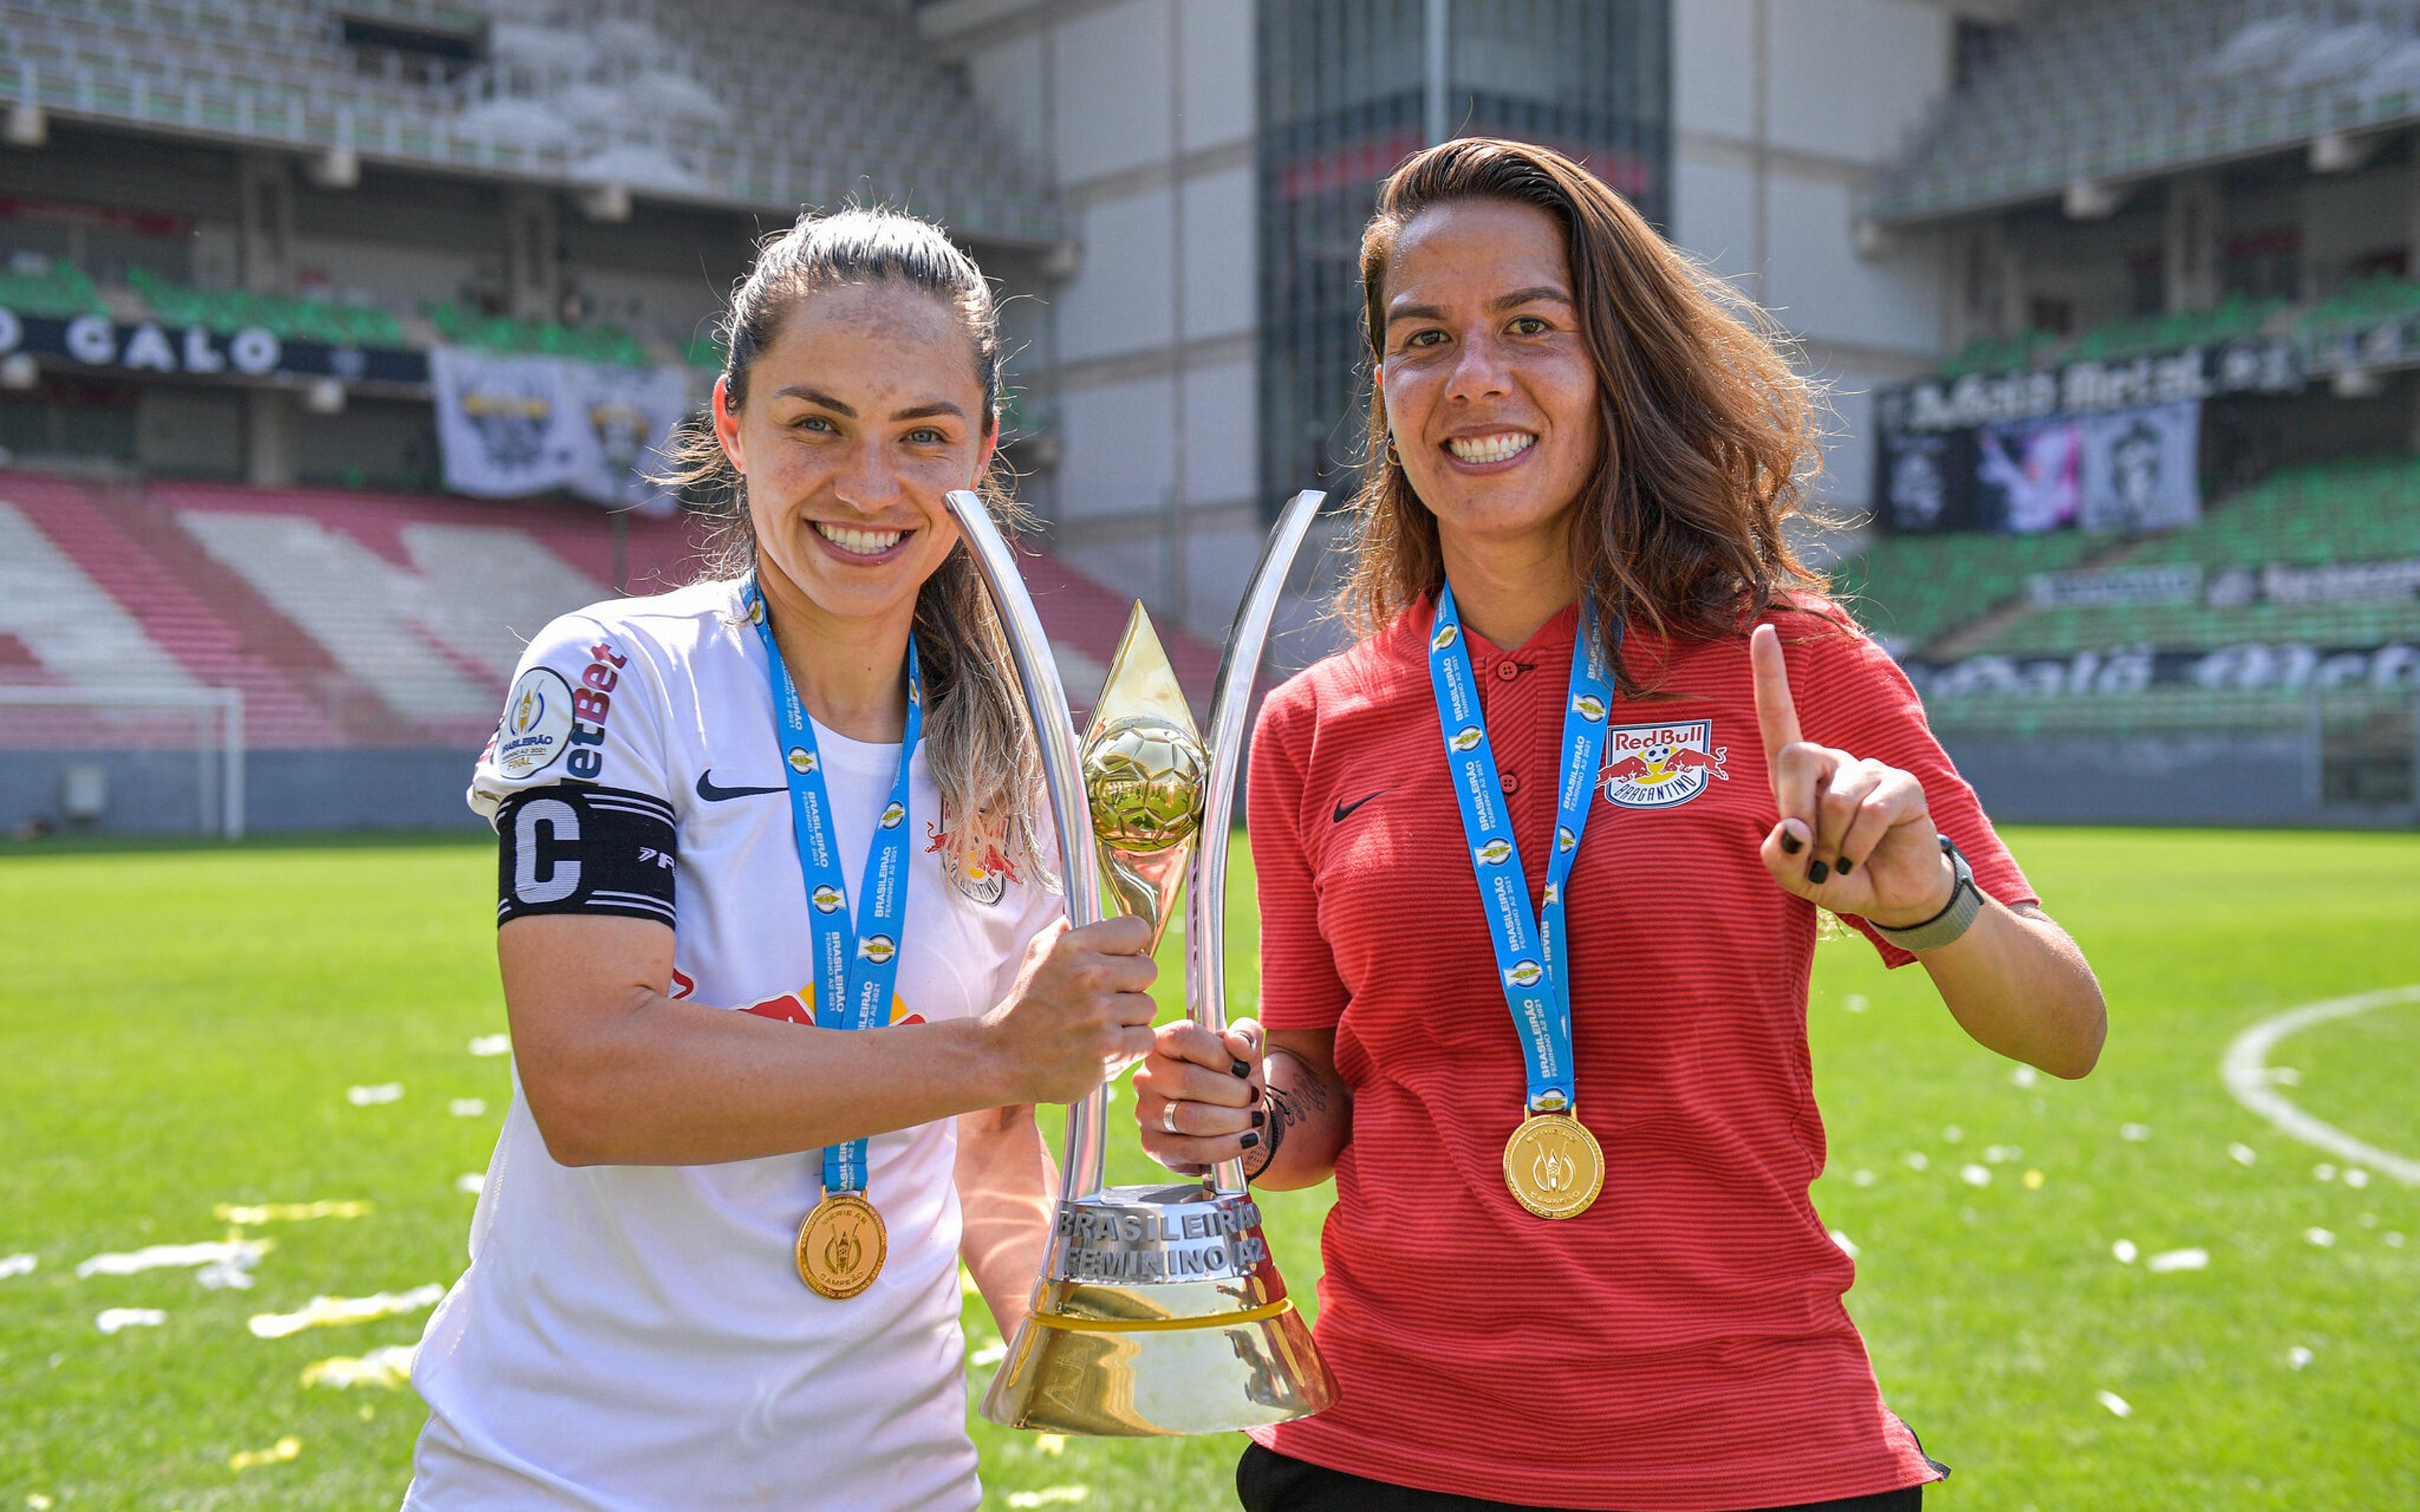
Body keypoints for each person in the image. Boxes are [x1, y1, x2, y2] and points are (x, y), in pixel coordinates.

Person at [1133, 139, 2107, 1512]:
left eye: (1532, 326)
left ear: (1615, 366)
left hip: (1745, 1449)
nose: (1475, 376)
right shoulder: (1313, 725)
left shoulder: (1792, 666)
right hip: (1377, 1449)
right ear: (1386, 394)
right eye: (1424, 340)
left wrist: (1929, 903)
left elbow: (2066, 1025)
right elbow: (1315, 1103)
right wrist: (1242, 1116)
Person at [404, 207, 1161, 1511]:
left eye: (923, 436)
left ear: (983, 453)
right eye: (817, 424)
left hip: (891, 1475)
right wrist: (990, 1054)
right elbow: (591, 1077)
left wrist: (1040, 1292)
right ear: (735, 424)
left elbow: (988, 1142)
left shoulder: (1022, 759)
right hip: (559, 1471)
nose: (870, 486)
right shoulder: (613, 674)